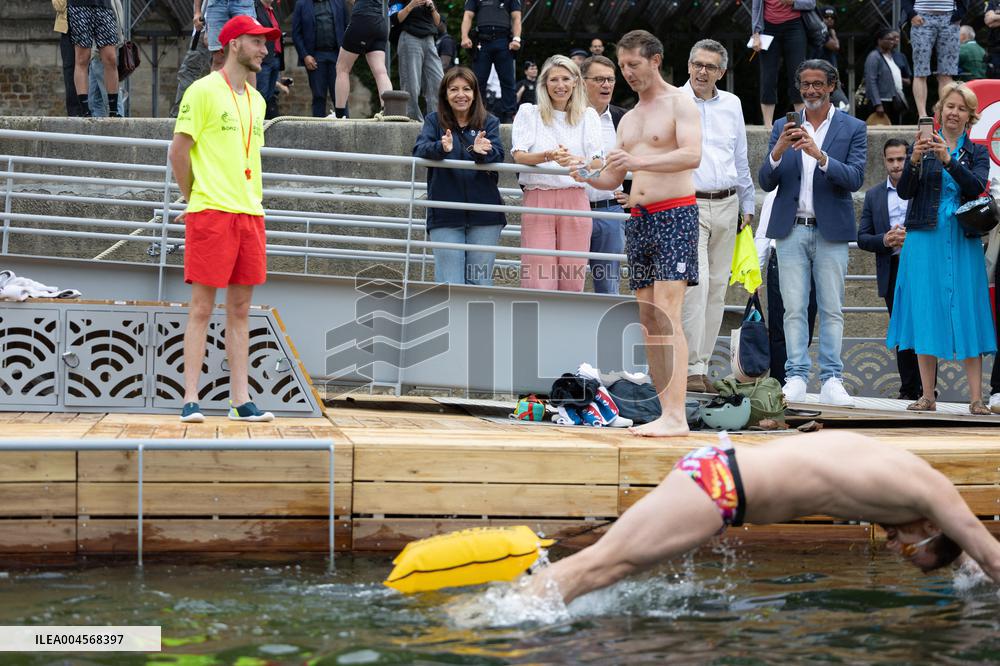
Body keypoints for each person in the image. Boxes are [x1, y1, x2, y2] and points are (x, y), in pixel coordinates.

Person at [530, 430, 1000, 605]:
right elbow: (988, 553)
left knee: (611, 566)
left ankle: (531, 598)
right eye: (908, 549)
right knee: (605, 564)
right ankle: (507, 611)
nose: (897, 546)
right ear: (934, 527)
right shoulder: (934, 494)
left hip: (717, 471)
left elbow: (963, 555)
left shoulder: (911, 492)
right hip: (720, 487)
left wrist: (964, 570)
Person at [576, 30, 701, 436]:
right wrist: (579, 169)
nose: (627, 73)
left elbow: (692, 155)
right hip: (640, 219)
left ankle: (677, 414)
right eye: (622, 65)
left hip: (675, 215)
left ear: (656, 60)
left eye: (633, 64)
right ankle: (667, 412)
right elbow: (612, 175)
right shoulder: (627, 119)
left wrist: (637, 158)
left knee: (668, 314)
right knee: (648, 320)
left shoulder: (680, 103)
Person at [169, 15, 278, 424]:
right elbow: (178, 152)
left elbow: (247, 155)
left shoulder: (258, 99)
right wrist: (193, 197)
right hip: (212, 211)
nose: (265, 50)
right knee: (201, 307)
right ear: (234, 44)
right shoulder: (202, 91)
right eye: (257, 42)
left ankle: (239, 399)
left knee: (241, 309)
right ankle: (191, 398)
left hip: (250, 212)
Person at [759, 59, 867, 407]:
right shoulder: (782, 126)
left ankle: (832, 377)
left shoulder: (853, 127)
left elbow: (854, 178)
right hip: (790, 230)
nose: (811, 91)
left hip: (830, 231)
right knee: (792, 308)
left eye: (818, 84)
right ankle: (796, 376)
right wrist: (777, 152)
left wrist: (820, 156)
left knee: (832, 308)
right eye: (805, 84)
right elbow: (766, 179)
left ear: (831, 85)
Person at [887, 82, 997, 414]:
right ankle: (927, 395)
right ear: (939, 110)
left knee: (968, 309)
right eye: (949, 106)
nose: (954, 112)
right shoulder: (919, 145)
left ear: (970, 116)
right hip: (923, 237)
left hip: (961, 237)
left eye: (961, 108)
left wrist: (948, 159)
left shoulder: (976, 152)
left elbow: (976, 186)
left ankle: (976, 398)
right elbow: (905, 192)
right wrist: (915, 161)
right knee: (925, 309)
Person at [680, 39, 756, 393]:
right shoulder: (674, 101)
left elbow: (740, 155)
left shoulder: (733, 104)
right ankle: (690, 367)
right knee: (697, 288)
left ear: (721, 72)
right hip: (688, 203)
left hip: (728, 204)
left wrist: (748, 203)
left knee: (718, 293)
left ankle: (702, 366)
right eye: (697, 64)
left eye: (710, 66)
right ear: (689, 65)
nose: (702, 71)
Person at [511, 55, 603, 292]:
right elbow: (519, 154)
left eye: (565, 79)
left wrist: (578, 164)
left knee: (573, 275)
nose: (560, 85)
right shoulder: (529, 112)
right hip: (539, 196)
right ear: (544, 83)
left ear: (575, 82)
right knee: (538, 276)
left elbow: (597, 161)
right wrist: (548, 156)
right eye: (554, 79)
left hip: (575, 198)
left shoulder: (588, 115)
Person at [413, 67, 506, 285]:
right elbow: (419, 150)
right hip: (445, 214)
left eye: (467, 89)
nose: (460, 94)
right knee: (450, 283)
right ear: (445, 94)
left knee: (480, 282)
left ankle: (478, 320)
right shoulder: (434, 121)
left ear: (475, 93)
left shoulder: (488, 121)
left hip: (485, 215)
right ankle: (452, 320)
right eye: (453, 89)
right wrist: (441, 147)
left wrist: (481, 151)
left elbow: (498, 154)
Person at [857, 139, 926, 401]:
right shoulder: (874, 195)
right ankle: (908, 390)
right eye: (891, 160)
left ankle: (927, 390)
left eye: (901, 159)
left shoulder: (920, 189)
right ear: (884, 161)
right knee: (901, 330)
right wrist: (885, 240)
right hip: (892, 268)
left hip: (920, 268)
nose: (896, 165)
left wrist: (914, 240)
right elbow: (863, 237)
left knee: (924, 328)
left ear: (909, 159)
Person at [581, 55, 628, 295]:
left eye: (610, 79)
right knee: (569, 283)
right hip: (573, 209)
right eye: (599, 79)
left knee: (608, 287)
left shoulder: (623, 118)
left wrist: (631, 194)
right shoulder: (568, 116)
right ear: (582, 81)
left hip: (610, 210)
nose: (606, 85)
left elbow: (640, 158)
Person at [751, 0, 812, 128]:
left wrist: (793, 2)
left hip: (794, 26)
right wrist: (756, 33)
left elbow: (811, 3)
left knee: (798, 74)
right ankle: (768, 125)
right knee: (768, 76)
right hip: (768, 28)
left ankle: (801, 123)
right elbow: (756, 8)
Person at [901, 0, 966, 118]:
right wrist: (912, 14)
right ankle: (922, 115)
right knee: (920, 71)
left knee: (947, 72)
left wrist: (960, 12)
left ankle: (945, 115)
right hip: (921, 16)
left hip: (949, 16)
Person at [461, 0, 522, 123]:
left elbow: (516, 18)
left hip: (503, 41)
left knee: (508, 80)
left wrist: (516, 39)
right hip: (482, 41)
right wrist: (464, 36)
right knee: (478, 81)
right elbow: (468, 15)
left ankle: (509, 114)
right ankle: (477, 113)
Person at [333, 0, 393, 118]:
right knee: (381, 72)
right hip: (380, 23)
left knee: (342, 68)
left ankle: (339, 116)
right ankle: (389, 113)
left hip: (362, 19)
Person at [292, 0, 347, 118]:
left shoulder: (339, 3)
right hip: (315, 57)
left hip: (337, 56)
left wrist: (346, 55)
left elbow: (347, 28)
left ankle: (345, 127)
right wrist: (305, 55)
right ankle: (317, 132)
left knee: (340, 96)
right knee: (318, 96)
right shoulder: (301, 4)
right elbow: (296, 33)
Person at [67, 0, 120, 117]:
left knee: (110, 58)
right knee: (82, 58)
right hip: (79, 6)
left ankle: (114, 111)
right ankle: (85, 111)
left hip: (103, 5)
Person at [393, 0, 445, 121]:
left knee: (438, 82)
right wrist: (412, 4)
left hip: (430, 39)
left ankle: (436, 123)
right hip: (410, 37)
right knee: (411, 85)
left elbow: (438, 22)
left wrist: (432, 7)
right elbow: (395, 19)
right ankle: (413, 122)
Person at [171, 1, 213, 118]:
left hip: (213, 24)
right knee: (189, 72)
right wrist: (197, 12)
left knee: (190, 72)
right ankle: (180, 114)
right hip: (205, 26)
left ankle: (180, 114)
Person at [862, 28, 912, 125]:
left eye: (893, 39)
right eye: (888, 39)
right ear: (879, 40)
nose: (892, 42)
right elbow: (871, 80)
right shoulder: (874, 56)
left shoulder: (891, 56)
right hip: (881, 101)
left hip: (892, 99)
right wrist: (877, 104)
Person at [205, 0, 257, 79]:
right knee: (218, 58)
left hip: (243, 4)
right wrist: (197, 12)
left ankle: (249, 91)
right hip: (216, 5)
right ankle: (215, 91)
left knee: (249, 56)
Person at [254, 0, 283, 112]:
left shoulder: (272, 10)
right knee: (261, 96)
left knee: (270, 97)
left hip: (275, 58)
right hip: (263, 59)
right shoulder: (256, 8)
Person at [987, 1, 1000, 78]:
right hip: (995, 51)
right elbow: (989, 21)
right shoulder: (994, 2)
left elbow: (992, 19)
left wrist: (996, 15)